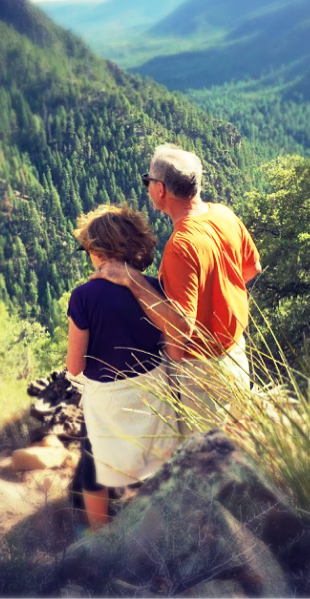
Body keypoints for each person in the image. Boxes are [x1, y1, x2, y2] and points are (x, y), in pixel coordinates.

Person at [93, 144, 261, 433]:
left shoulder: (181, 245)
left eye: (148, 181)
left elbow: (182, 327)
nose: (147, 187)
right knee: (236, 442)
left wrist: (132, 280)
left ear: (160, 189)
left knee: (203, 452)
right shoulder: (224, 215)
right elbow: (251, 267)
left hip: (203, 371)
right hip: (236, 355)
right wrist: (217, 298)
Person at [65, 203, 181, 531]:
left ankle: (101, 536)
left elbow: (75, 366)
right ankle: (167, 524)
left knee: (94, 465)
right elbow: (172, 345)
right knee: (159, 456)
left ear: (98, 249)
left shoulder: (84, 296)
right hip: (153, 388)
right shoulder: (152, 287)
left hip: (108, 397)